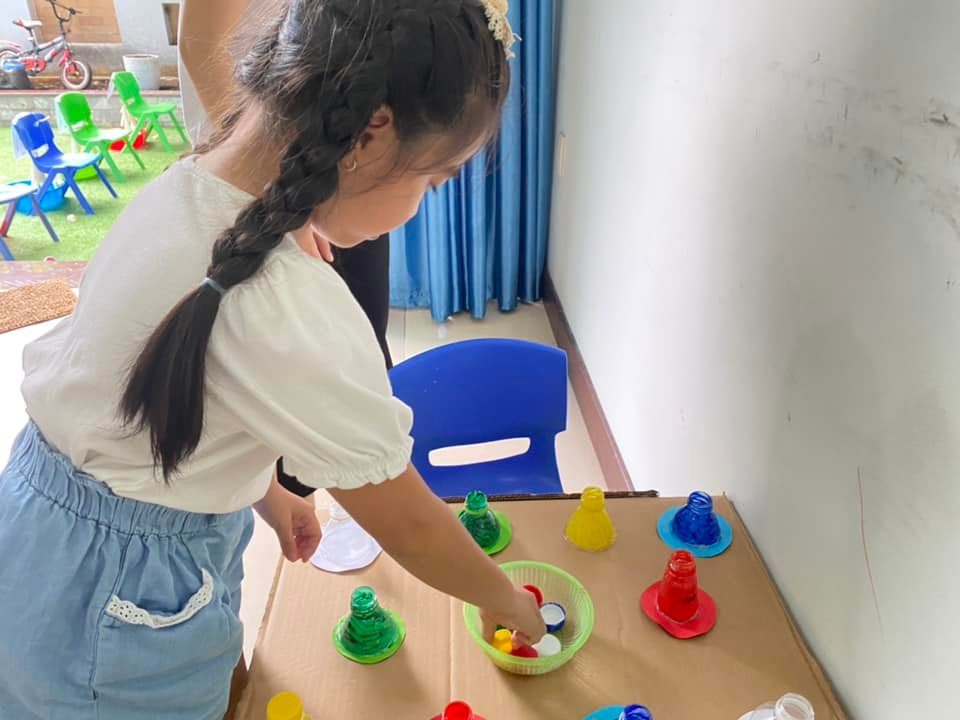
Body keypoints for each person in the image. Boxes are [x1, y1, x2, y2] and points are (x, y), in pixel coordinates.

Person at [0, 2, 541, 718]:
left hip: (42, 523)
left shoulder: (183, 186)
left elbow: (167, 389)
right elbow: (408, 523)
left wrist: (266, 493)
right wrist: (507, 600)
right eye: (432, 180)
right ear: (371, 133)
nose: (421, 203)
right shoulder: (285, 303)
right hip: (115, 595)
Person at [179, 0, 393, 500]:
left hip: (324, 165)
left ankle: (294, 501)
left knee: (357, 344)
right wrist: (283, 192)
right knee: (301, 371)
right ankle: (293, 497)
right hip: (277, 177)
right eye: (431, 179)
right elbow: (200, 41)